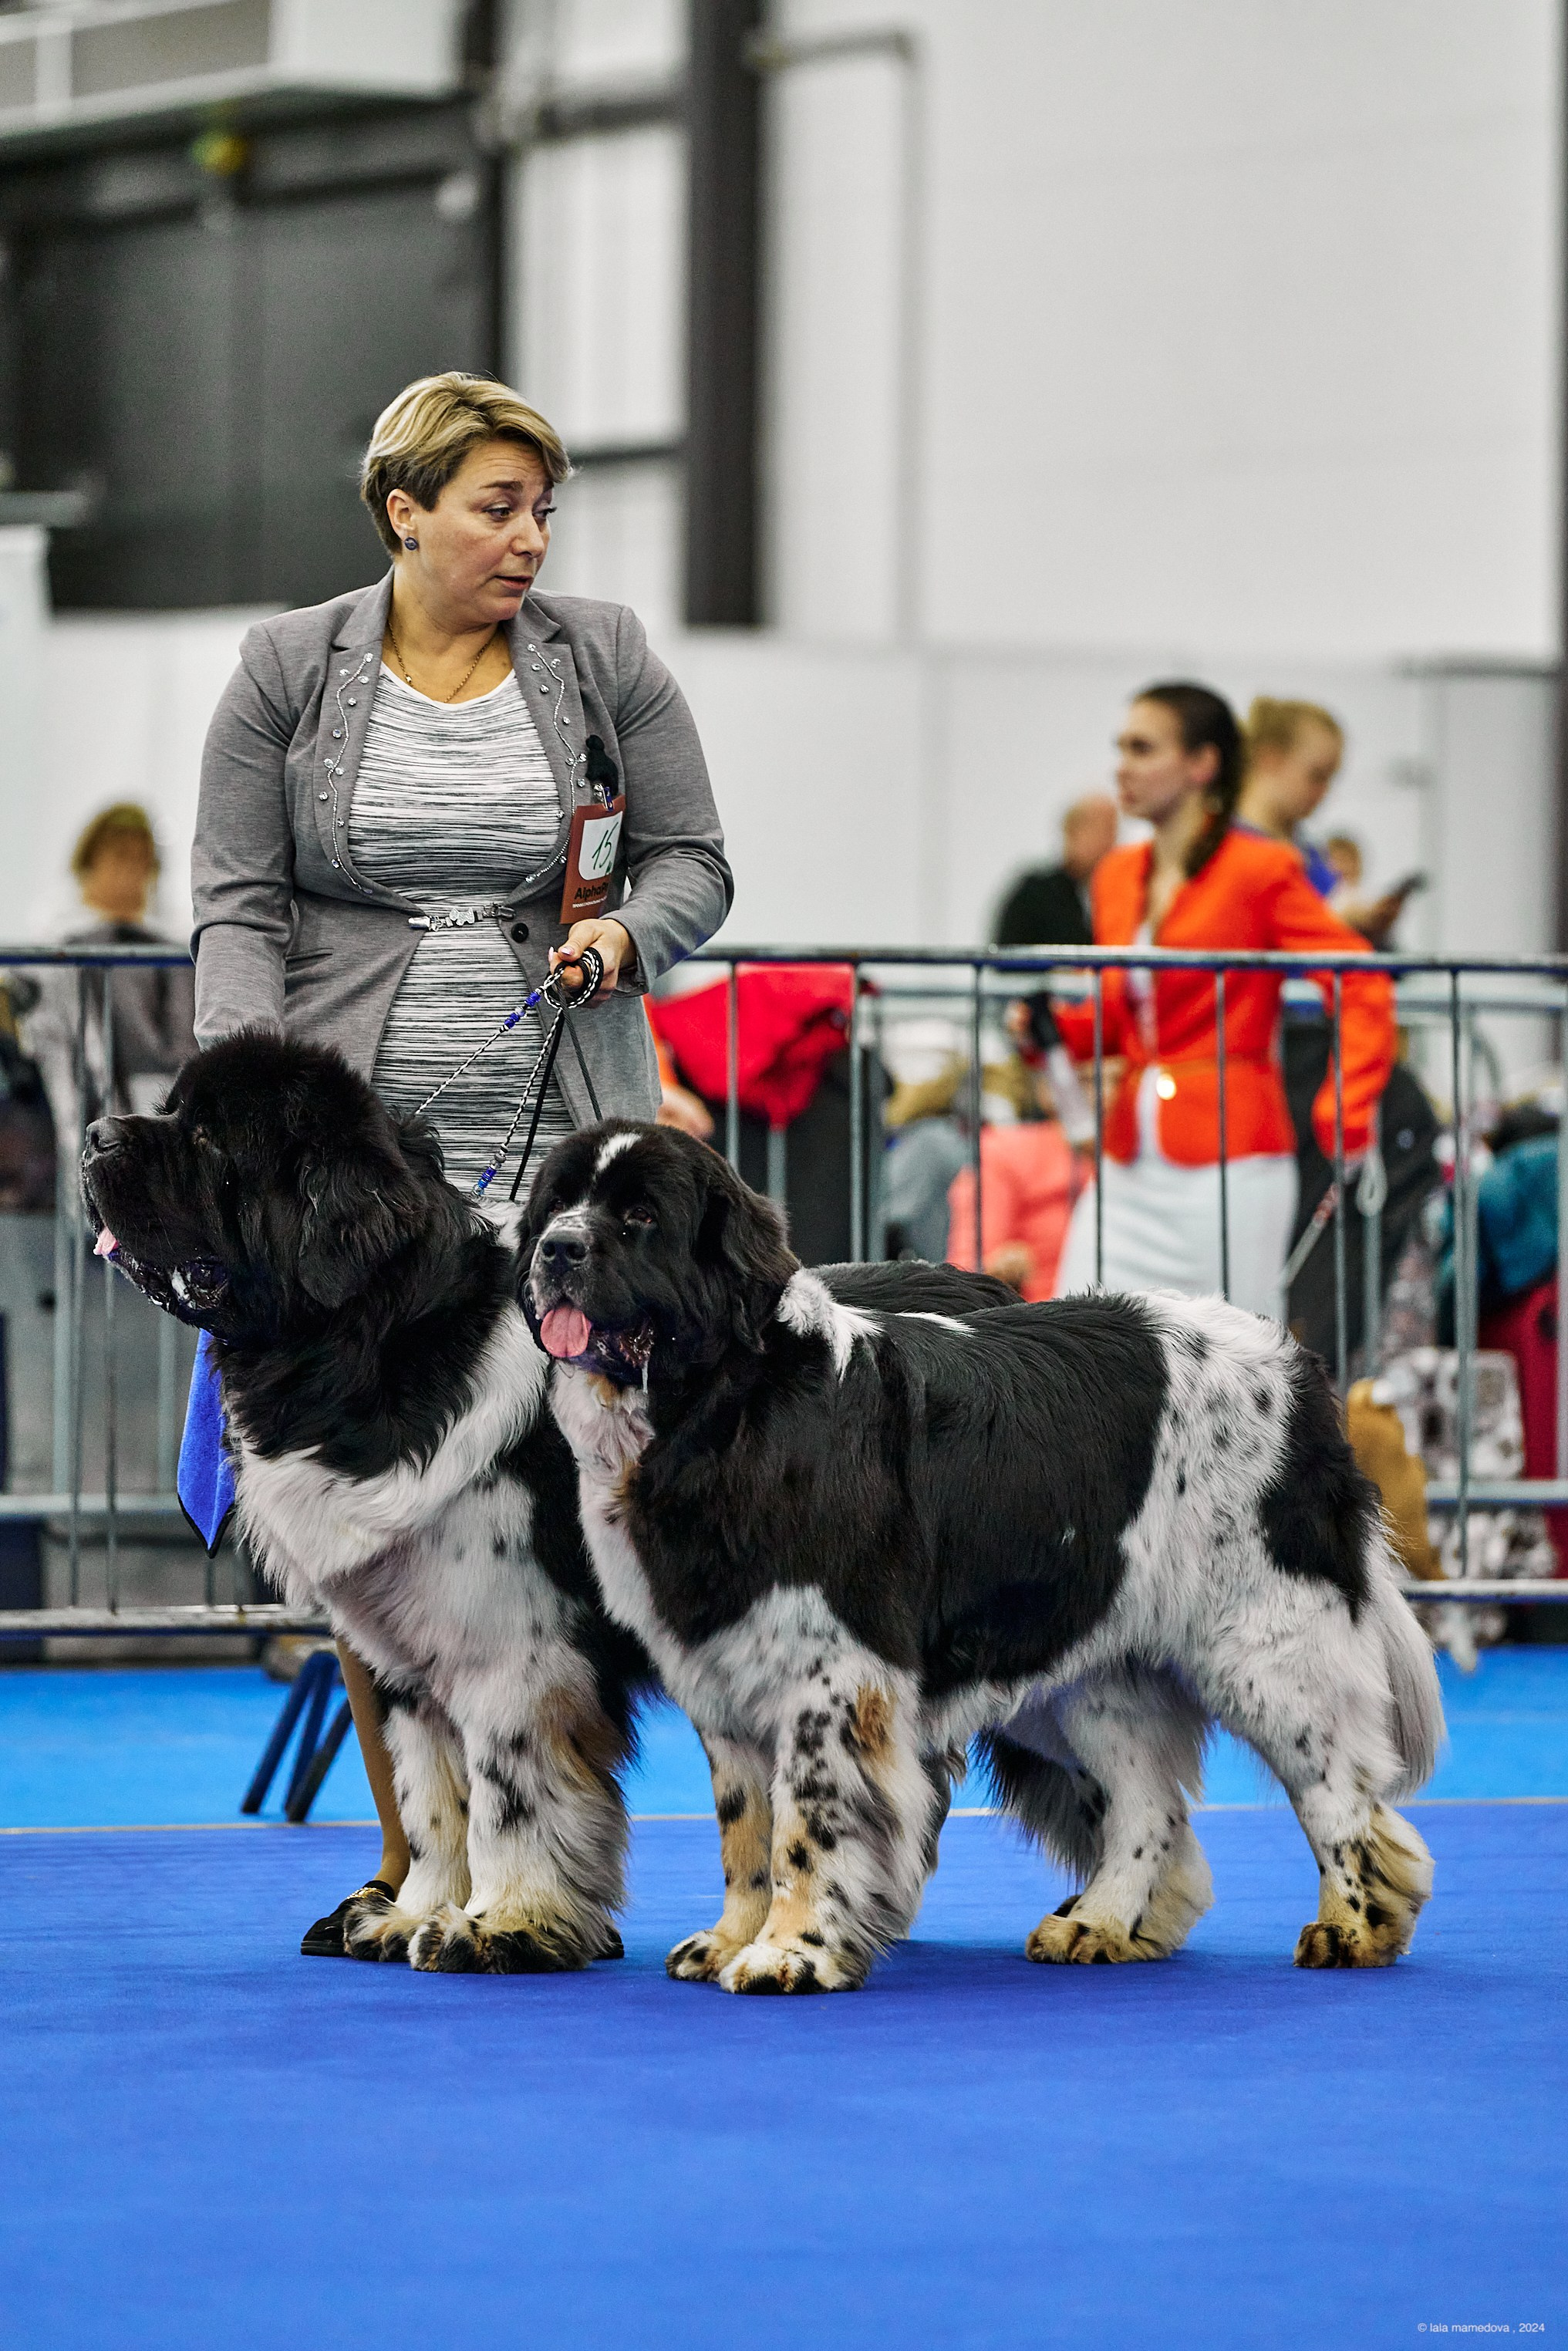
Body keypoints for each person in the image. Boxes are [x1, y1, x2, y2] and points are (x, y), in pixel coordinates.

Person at [191, 370, 731, 1943]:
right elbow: (238, 901)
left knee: (619, 1496)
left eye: (542, 510)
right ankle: (419, 1857)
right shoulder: (286, 671)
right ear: (401, 511)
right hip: (357, 1193)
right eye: (496, 508)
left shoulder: (602, 660)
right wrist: (253, 1097)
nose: (528, 540)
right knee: (377, 1522)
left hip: (563, 1153)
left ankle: (650, 1848)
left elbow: (694, 856)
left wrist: (630, 929)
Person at [1047, 682, 1395, 1317]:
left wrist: (1346, 1104)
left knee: (1230, 1365)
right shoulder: (1116, 875)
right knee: (1071, 1343)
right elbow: (1123, 1017)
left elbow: (1360, 981)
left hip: (1231, 1165)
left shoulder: (1259, 870)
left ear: (1201, 764)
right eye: (1120, 747)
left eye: (1141, 748)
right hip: (1128, 1162)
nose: (1120, 764)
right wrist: (1055, 1027)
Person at [993, 793, 1118, 947]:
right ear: (1071, 831)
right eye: (1098, 828)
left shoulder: (1119, 894)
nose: (1108, 841)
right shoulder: (1034, 894)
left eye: (1112, 830)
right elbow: (1007, 957)